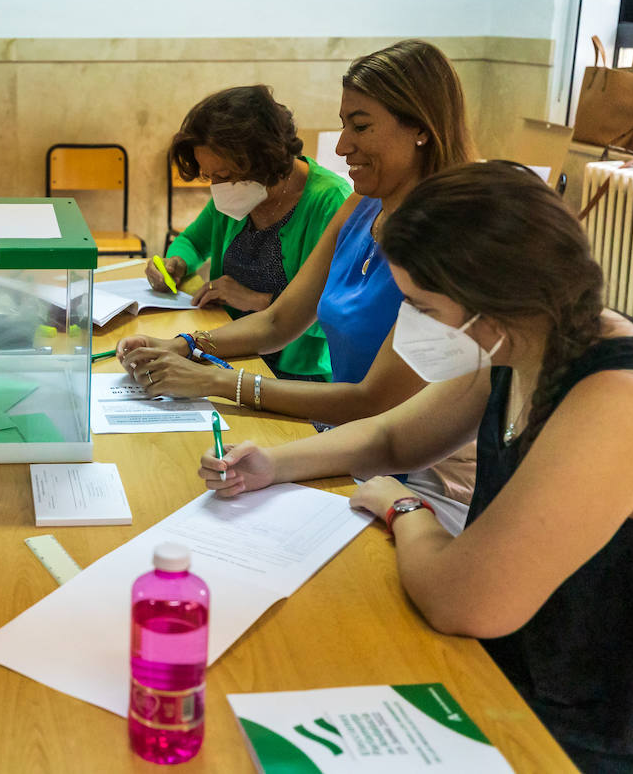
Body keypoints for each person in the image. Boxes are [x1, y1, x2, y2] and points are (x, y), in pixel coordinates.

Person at [200, 161, 633, 771]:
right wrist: (271, 461)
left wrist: (406, 510)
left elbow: (467, 601)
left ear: (489, 298)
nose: (414, 323)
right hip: (531, 675)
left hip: (622, 735)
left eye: (423, 305)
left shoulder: (619, 403)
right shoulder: (522, 343)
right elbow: (397, 437)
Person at [120, 40, 478, 525]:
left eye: (361, 125)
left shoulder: (450, 236)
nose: (342, 144)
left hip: (424, 470)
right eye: (344, 123)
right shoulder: (363, 203)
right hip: (355, 442)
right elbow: (281, 320)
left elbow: (377, 404)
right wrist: (186, 343)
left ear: (420, 127)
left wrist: (219, 380)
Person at [147, 86, 350, 381]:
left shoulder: (330, 203)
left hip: (297, 373)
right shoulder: (239, 193)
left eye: (225, 175)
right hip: (226, 347)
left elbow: (341, 316)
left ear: (264, 159)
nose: (216, 186)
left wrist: (259, 301)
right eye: (209, 175)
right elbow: (192, 240)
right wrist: (176, 262)